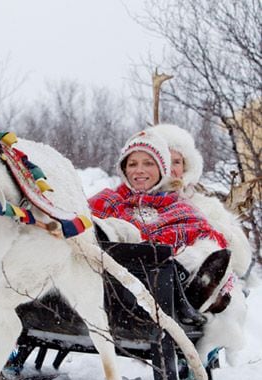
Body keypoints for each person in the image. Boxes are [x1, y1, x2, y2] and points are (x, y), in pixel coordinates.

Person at [88, 131, 237, 329]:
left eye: (148, 163)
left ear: (161, 169)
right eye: (132, 164)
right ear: (124, 170)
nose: (139, 170)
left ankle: (191, 289)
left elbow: (209, 236)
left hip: (159, 298)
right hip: (105, 291)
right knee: (115, 229)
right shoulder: (109, 200)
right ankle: (110, 234)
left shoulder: (179, 207)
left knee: (201, 249)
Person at [141, 124, 252, 366]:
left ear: (187, 167)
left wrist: (214, 235)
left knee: (202, 255)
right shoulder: (133, 202)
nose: (171, 168)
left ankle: (195, 293)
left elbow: (240, 259)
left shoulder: (204, 205)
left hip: (182, 288)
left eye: (177, 161)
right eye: (164, 160)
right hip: (142, 291)